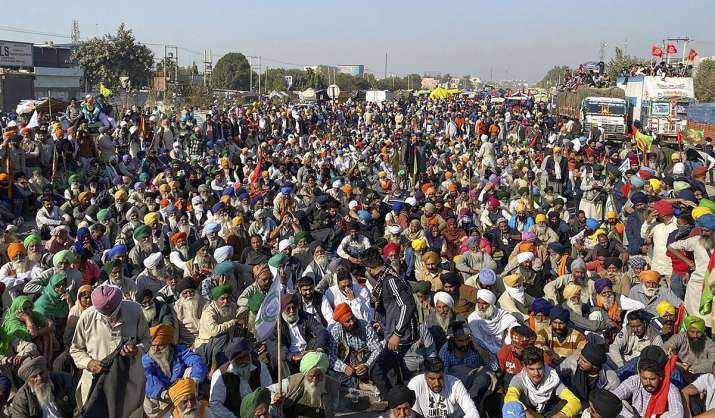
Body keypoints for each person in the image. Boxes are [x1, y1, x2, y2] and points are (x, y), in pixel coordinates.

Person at [70, 284, 150, 416]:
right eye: (105, 314)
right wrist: (89, 363)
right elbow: (76, 349)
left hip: (129, 379)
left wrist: (136, 350)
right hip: (97, 381)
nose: (111, 318)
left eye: (113, 313)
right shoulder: (87, 317)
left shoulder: (134, 311)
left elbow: (147, 340)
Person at [142, 324, 208, 417]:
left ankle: (189, 404)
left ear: (168, 344)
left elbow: (196, 361)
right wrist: (164, 394)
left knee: (190, 370)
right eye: (153, 346)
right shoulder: (147, 359)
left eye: (160, 346)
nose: (156, 349)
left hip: (181, 395)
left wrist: (194, 380)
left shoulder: (179, 350)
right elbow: (149, 377)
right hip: (161, 400)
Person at [504, 346, 581, 418]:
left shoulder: (552, 378)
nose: (536, 373)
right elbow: (510, 399)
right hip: (528, 414)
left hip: (550, 414)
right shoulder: (518, 380)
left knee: (565, 404)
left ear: (544, 366)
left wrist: (559, 416)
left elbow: (575, 402)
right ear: (524, 367)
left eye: (539, 368)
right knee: (514, 407)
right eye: (531, 369)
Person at [209, 337, 272, 418]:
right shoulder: (220, 375)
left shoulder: (260, 367)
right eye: (240, 358)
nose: (244, 361)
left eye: (246, 356)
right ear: (232, 360)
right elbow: (215, 404)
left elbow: (269, 389)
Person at [267, 293, 328, 375]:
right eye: (288, 309)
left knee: (318, 344)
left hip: (307, 352)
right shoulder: (276, 324)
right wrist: (292, 356)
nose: (292, 311)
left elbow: (321, 331)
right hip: (289, 356)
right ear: (282, 310)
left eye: (294, 307)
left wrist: (317, 348)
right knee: (279, 358)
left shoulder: (305, 316)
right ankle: (289, 383)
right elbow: (274, 346)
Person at [268, 352, 339, 418]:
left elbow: (332, 411)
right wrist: (275, 397)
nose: (315, 380)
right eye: (311, 376)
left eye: (319, 375)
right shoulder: (293, 381)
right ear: (305, 374)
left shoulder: (332, 385)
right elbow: (266, 391)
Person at [613, 352, 684, 417]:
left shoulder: (670, 388)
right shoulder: (635, 381)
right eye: (644, 378)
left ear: (660, 377)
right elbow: (612, 397)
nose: (648, 383)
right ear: (640, 375)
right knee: (620, 404)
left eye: (652, 379)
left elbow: (678, 414)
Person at [407, 357, 479, 418]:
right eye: (432, 379)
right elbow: (411, 414)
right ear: (425, 376)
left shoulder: (455, 383)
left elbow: (472, 411)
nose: (437, 383)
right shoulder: (415, 384)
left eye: (440, 378)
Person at [9, 356, 76, 418]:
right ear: (28, 381)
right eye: (34, 376)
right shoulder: (21, 397)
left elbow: (79, 409)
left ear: (47, 371)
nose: (40, 378)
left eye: (41, 373)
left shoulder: (65, 380)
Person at [467, 289, 518, 356]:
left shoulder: (499, 314)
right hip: (485, 350)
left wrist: (508, 344)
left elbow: (513, 324)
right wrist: (500, 352)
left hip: (504, 347)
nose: (480, 307)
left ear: (491, 305)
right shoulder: (473, 318)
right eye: (478, 303)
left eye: (484, 303)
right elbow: (480, 340)